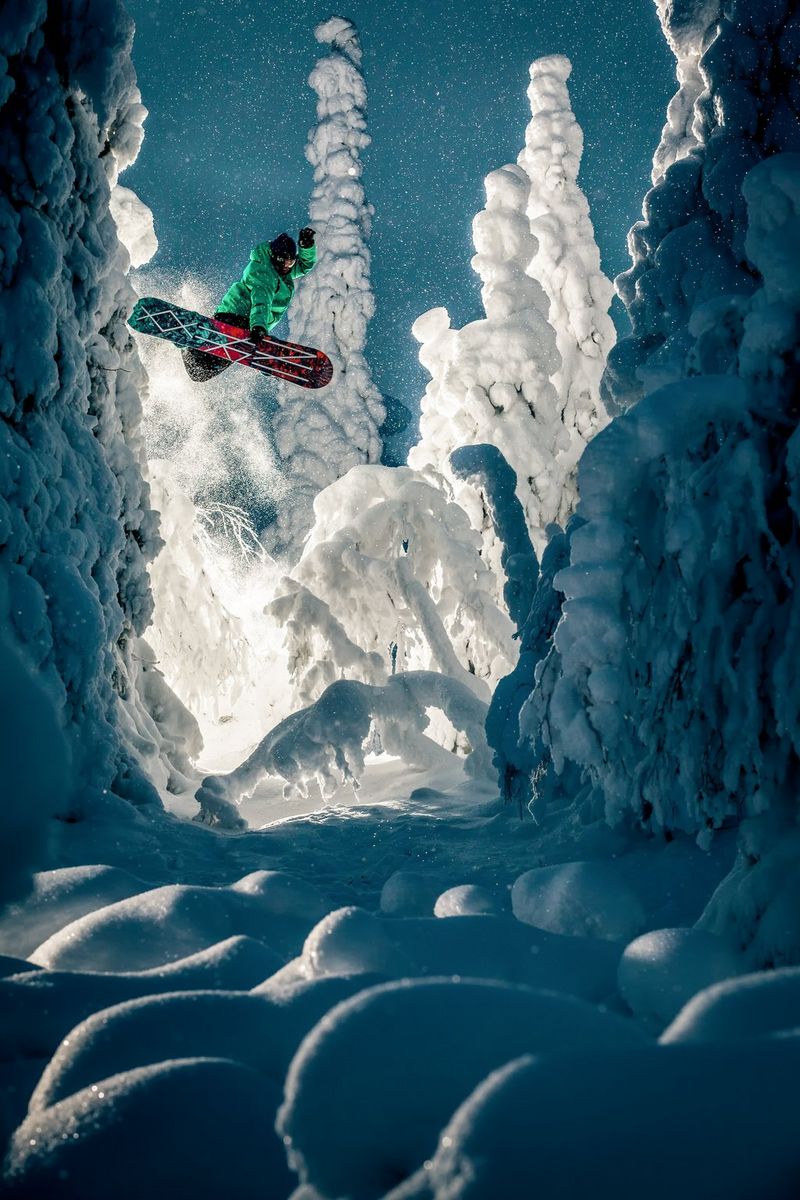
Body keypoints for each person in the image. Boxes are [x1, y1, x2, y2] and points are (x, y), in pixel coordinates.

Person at [182, 227, 317, 381]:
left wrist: (306, 246)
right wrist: (259, 327)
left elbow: (304, 266)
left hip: (248, 324)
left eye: (290, 263)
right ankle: (189, 338)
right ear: (275, 257)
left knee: (200, 373)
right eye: (284, 262)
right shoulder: (264, 271)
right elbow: (261, 302)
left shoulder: (282, 272)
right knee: (203, 367)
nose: (287, 266)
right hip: (236, 317)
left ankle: (189, 342)